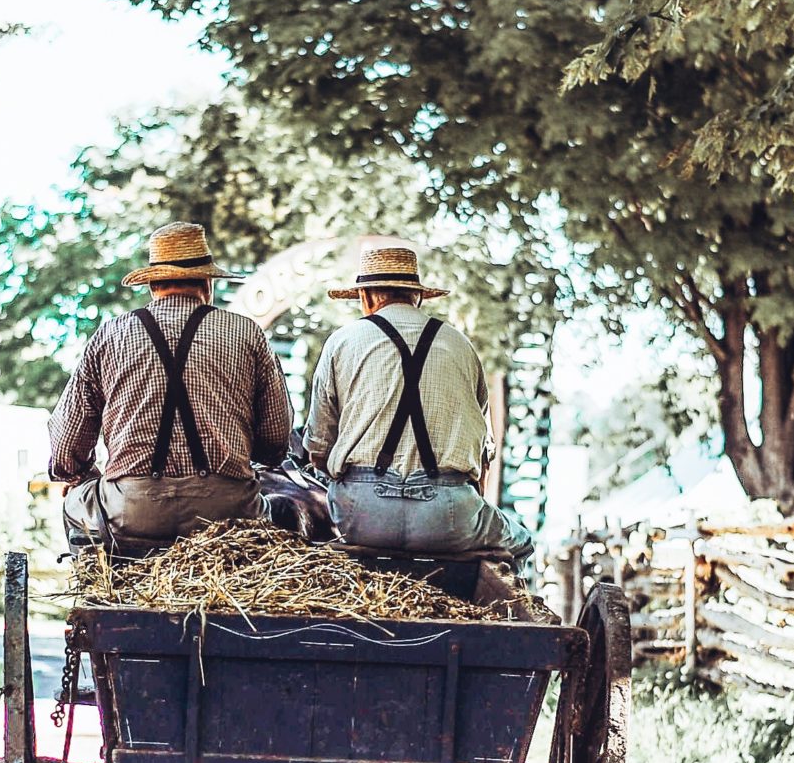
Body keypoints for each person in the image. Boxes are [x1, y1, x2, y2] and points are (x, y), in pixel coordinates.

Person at [49, 222, 295, 550]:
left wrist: (83, 475)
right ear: (207, 281)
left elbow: (65, 448)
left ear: (153, 285)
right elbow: (275, 441)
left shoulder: (110, 335)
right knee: (286, 508)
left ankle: (99, 586)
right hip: (228, 515)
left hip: (132, 511)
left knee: (74, 502)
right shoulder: (246, 333)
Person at [303, 241, 534, 569]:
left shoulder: (341, 342)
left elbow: (318, 448)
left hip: (362, 517)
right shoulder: (460, 345)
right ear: (419, 296)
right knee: (521, 542)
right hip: (448, 517)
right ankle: (510, 613)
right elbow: (483, 452)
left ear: (366, 297)